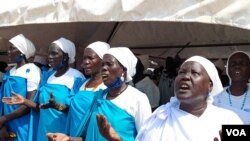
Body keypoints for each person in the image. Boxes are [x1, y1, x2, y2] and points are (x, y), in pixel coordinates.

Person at [96, 56, 243, 141]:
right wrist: (117, 139)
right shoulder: (160, 116)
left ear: (210, 85)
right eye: (182, 72)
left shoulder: (229, 120)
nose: (185, 77)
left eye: (194, 73)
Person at [47, 47, 152, 141]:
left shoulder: (138, 99)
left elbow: (148, 137)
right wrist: (68, 139)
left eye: (109, 64)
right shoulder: (98, 97)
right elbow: (86, 136)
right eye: (103, 64)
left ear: (123, 70)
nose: (104, 68)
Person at [2, 37, 85, 141]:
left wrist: (56, 106)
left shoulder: (76, 78)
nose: (49, 57)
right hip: (43, 131)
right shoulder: (48, 76)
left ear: (66, 56)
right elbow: (39, 107)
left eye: (54, 53)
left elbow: (77, 111)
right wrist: (25, 101)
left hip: (62, 131)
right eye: (49, 53)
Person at [0, 34, 41, 141]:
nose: (8, 51)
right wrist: (2, 124)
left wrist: (4, 119)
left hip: (22, 123)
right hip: (6, 123)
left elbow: (29, 103)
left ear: (22, 52)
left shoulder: (32, 70)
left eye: (12, 48)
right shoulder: (10, 71)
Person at [65, 41, 110, 136]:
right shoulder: (81, 84)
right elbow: (71, 110)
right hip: (73, 134)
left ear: (103, 61)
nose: (85, 62)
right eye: (84, 58)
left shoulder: (107, 87)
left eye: (91, 58)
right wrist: (56, 106)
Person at [213, 51, 250, 124]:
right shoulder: (215, 100)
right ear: (228, 70)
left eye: (242, 63)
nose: (237, 66)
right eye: (233, 64)